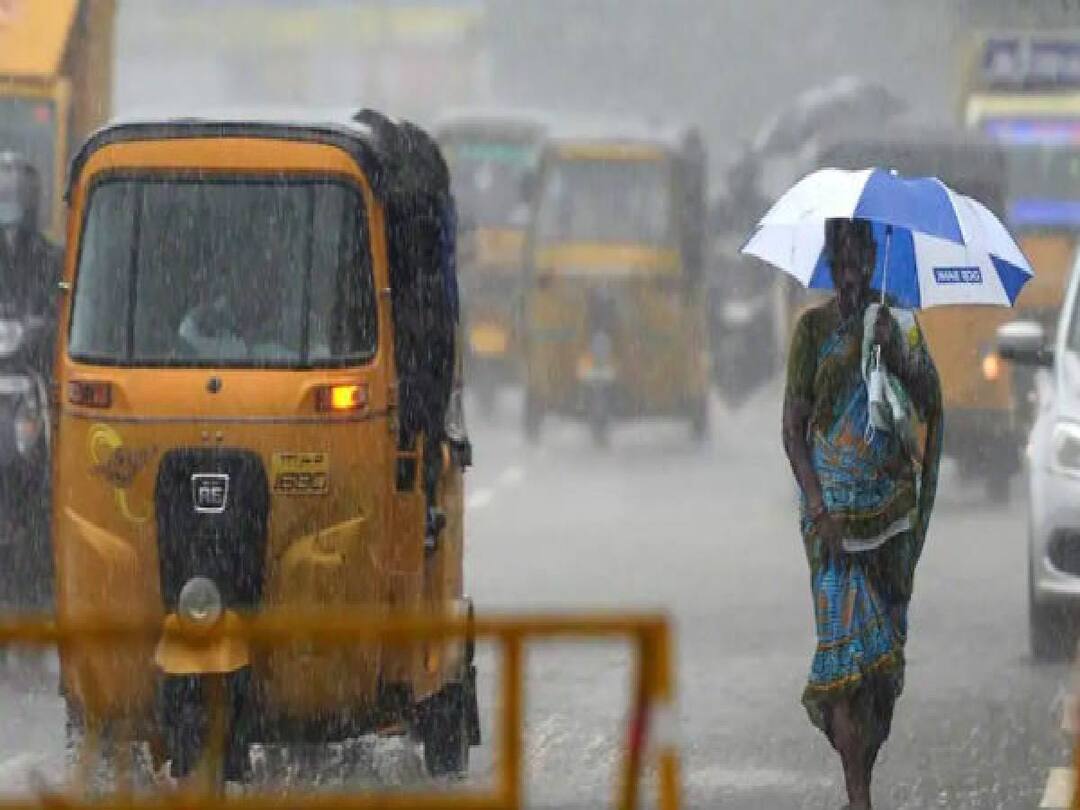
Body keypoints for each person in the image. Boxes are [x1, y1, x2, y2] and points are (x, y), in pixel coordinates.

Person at [781, 218, 943, 809]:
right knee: (844, 661)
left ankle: (863, 771)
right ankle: (859, 792)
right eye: (841, 262)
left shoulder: (897, 323)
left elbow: (929, 400)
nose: (850, 275)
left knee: (879, 671)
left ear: (874, 258)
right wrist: (817, 503)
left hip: (889, 522)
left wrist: (897, 353)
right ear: (830, 262)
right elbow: (792, 429)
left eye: (859, 261)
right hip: (831, 526)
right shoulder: (812, 331)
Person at [0, 152, 60, 321]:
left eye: (17, 194)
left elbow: (61, 298)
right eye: (4, 196)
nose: (10, 203)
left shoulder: (51, 257)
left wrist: (36, 325)